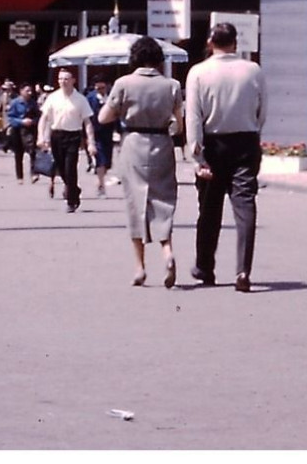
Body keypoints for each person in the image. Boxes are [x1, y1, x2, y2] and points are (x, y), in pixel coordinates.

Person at [184, 22, 266, 293]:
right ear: (235, 42)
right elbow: (262, 110)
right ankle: (243, 270)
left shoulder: (198, 72)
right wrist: (252, 132)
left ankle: (205, 267)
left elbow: (193, 117)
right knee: (245, 206)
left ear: (210, 42)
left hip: (213, 143)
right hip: (246, 141)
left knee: (208, 209)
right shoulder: (253, 70)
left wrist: (196, 155)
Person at [100, 37, 183, 287]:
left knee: (135, 203)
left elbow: (104, 117)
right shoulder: (172, 85)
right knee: (163, 200)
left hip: (134, 142)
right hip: (161, 144)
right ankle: (167, 251)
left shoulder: (123, 83)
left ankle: (140, 267)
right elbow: (178, 126)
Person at [38, 68, 95, 213]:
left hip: (73, 136)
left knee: (70, 168)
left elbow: (87, 122)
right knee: (61, 168)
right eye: (60, 79)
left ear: (73, 81)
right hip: (57, 135)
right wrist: (41, 137)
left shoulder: (80, 99)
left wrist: (91, 142)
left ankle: (71, 201)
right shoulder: (53, 97)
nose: (63, 82)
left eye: (66, 79)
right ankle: (74, 189)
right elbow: (43, 119)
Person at [86, 79, 113, 195]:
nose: (100, 90)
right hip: (95, 132)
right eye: (98, 88)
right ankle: (101, 183)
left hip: (109, 132)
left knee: (107, 161)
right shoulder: (90, 98)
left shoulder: (112, 96)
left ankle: (102, 175)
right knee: (100, 158)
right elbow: (87, 117)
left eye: (102, 88)